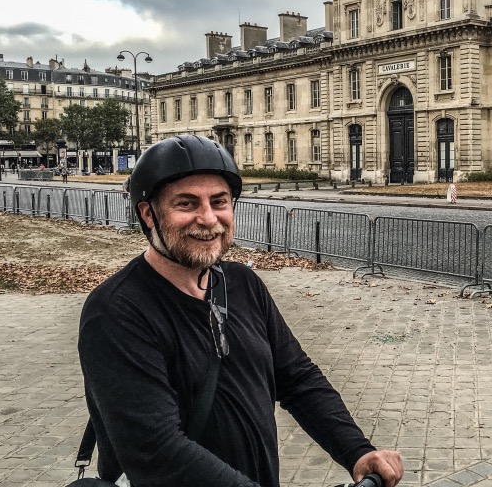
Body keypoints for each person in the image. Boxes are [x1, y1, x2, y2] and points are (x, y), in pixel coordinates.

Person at [77, 135, 404, 487]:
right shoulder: (115, 313)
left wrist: (356, 450)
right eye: (186, 204)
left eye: (219, 202)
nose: (208, 218)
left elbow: (298, 379)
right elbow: (157, 452)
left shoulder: (242, 283)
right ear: (148, 214)